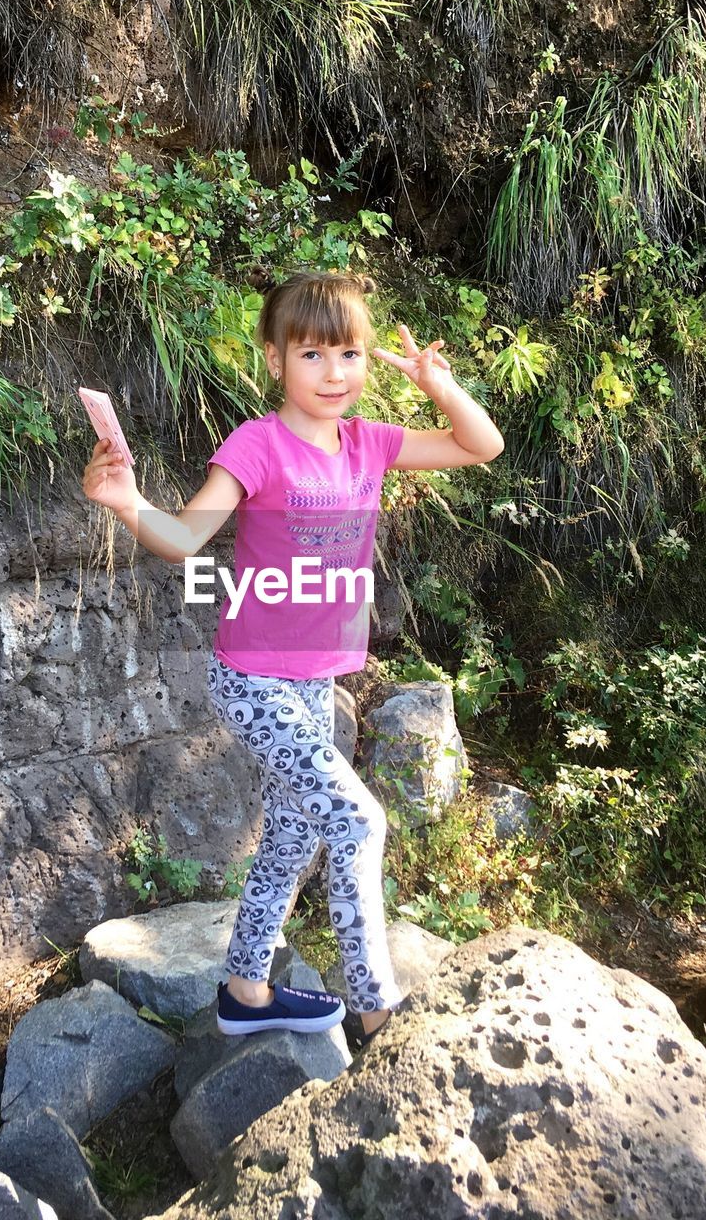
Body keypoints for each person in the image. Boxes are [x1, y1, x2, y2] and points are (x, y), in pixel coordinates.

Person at [82, 270, 504, 1045]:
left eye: (350, 354)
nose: (335, 373)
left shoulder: (369, 443)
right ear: (275, 360)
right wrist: (126, 503)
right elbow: (183, 539)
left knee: (294, 834)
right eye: (312, 355)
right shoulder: (257, 444)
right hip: (253, 679)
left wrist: (440, 385)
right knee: (356, 820)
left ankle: (245, 991)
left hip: (316, 681)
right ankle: (377, 1008)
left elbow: (482, 444)